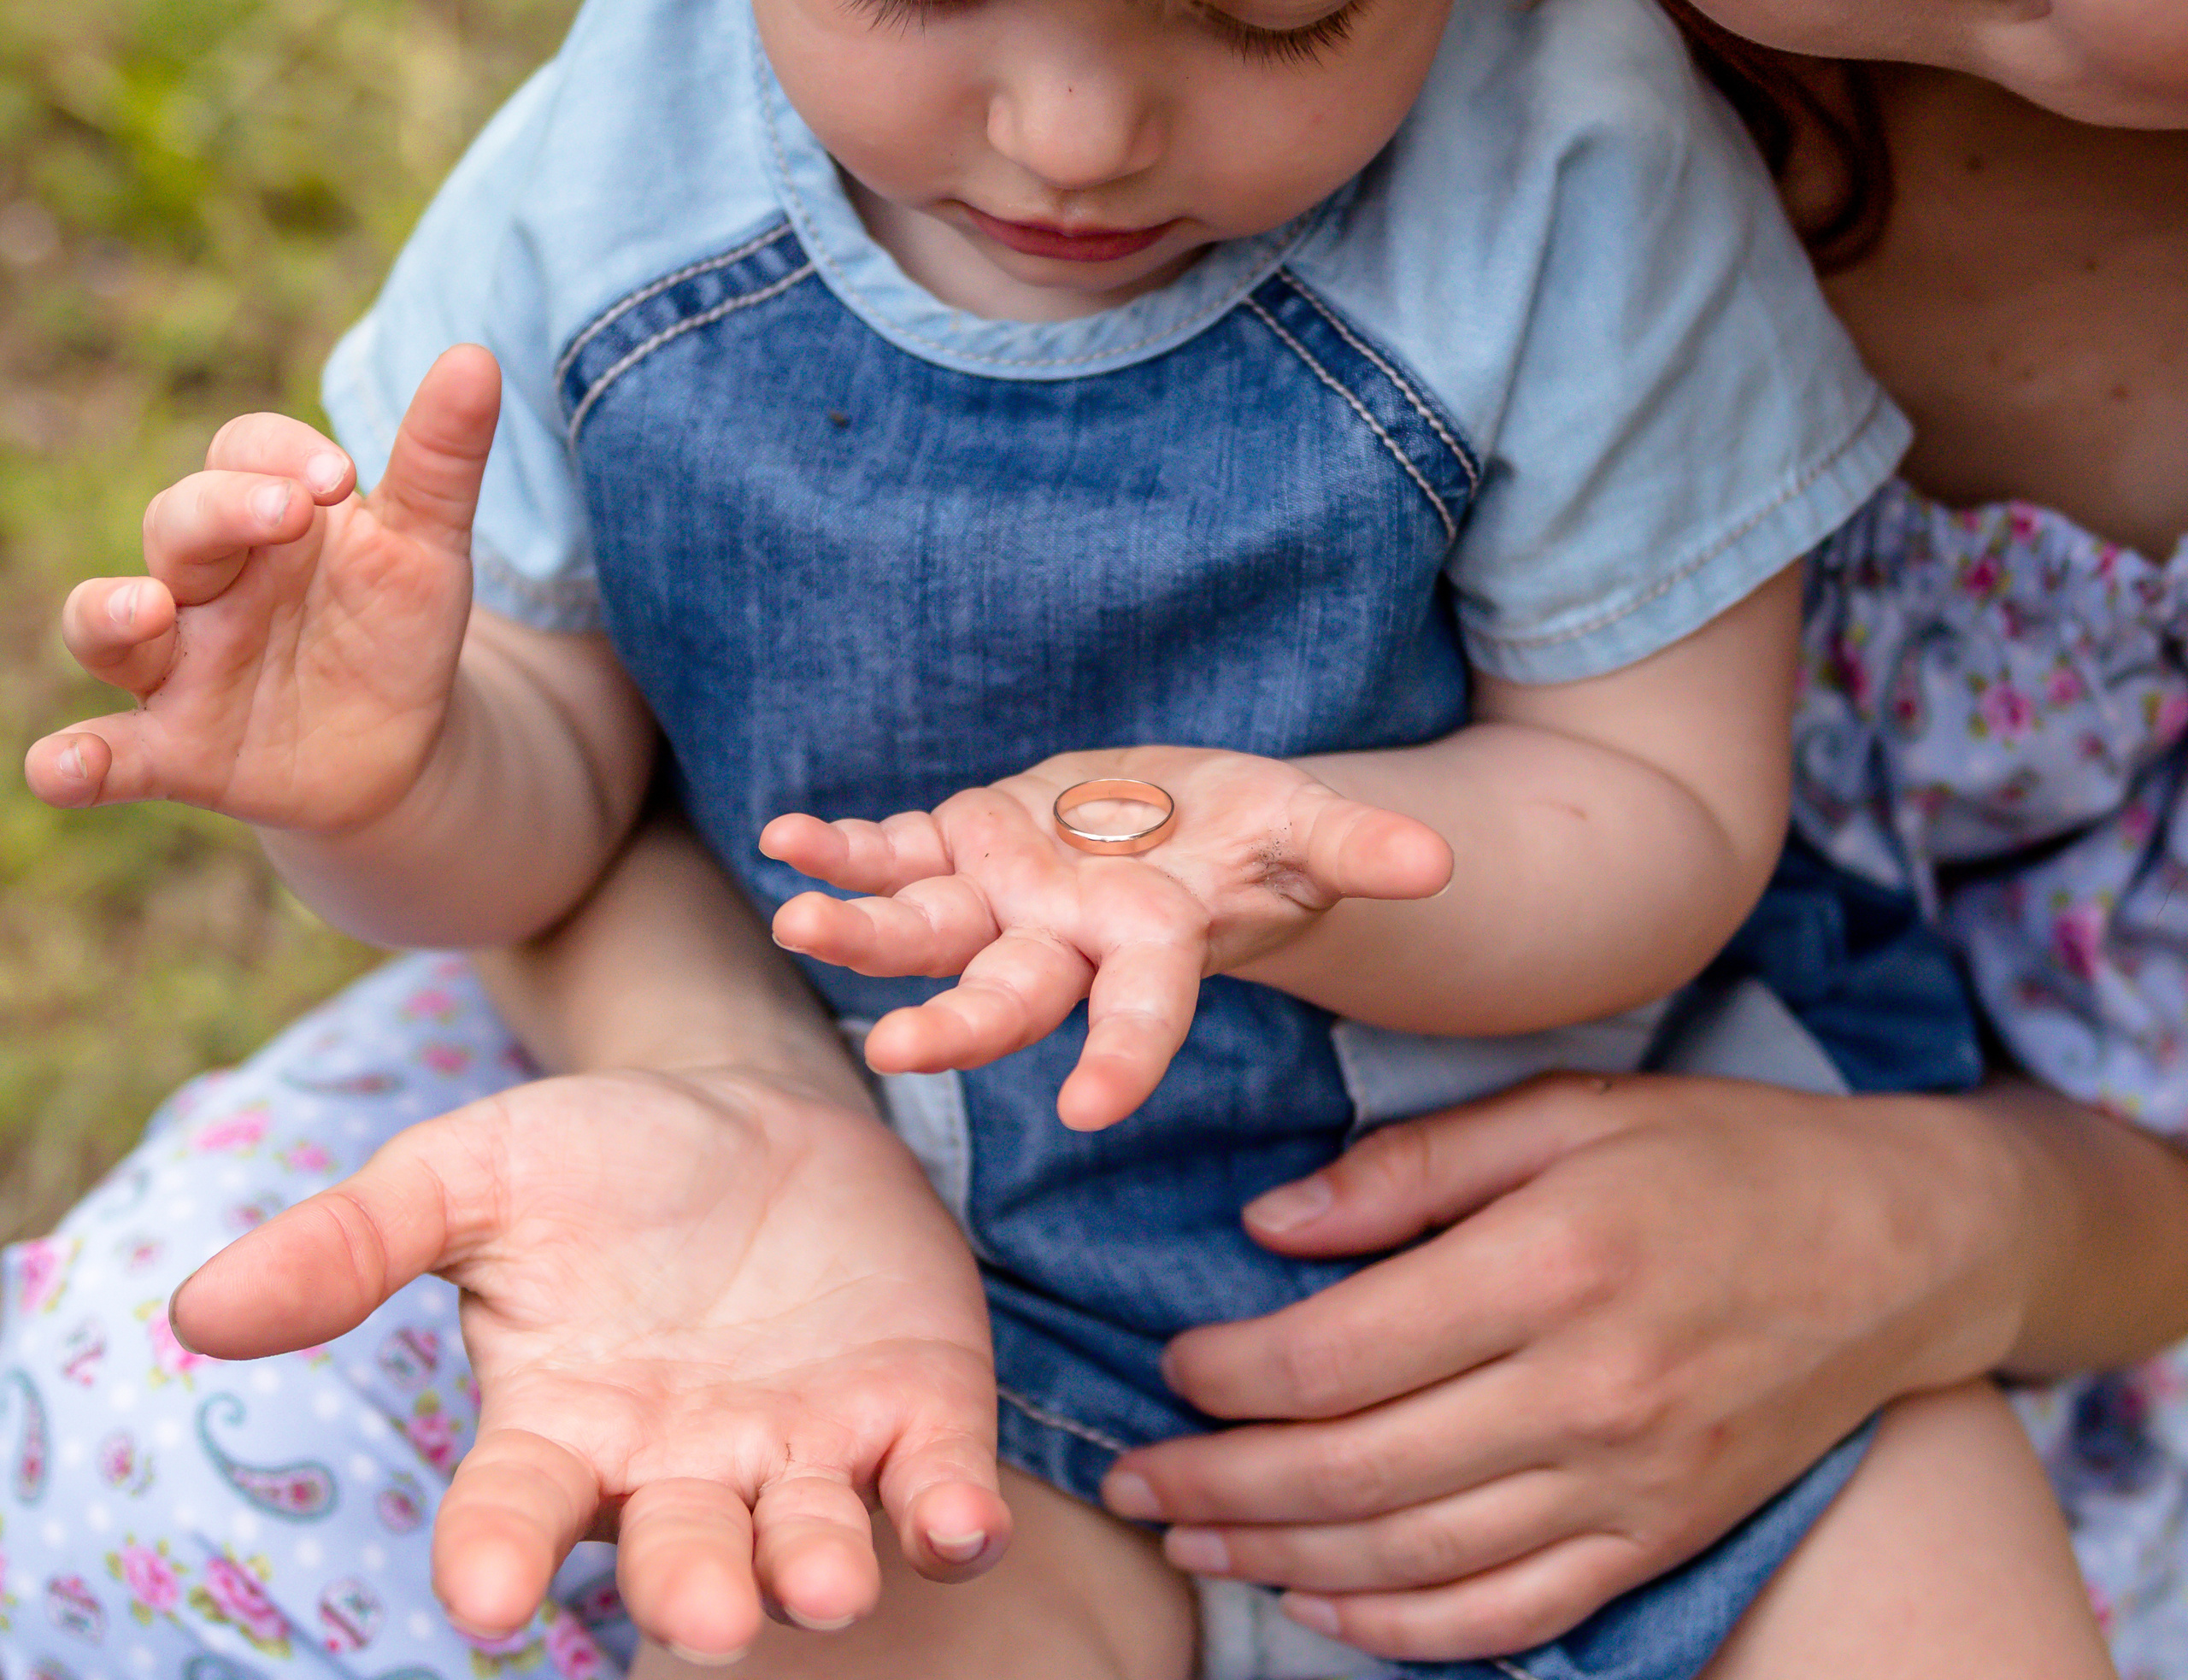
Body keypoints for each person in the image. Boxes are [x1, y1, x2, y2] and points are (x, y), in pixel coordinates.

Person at [0, 2, 2156, 1680]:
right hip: (921, 1300)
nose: (1074, 128)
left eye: (1271, 11)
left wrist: (1301, 862)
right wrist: (389, 783)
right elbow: (550, 820)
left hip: (1618, 1235)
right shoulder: (617, 167)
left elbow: (1663, 813)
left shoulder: (1567, 161)